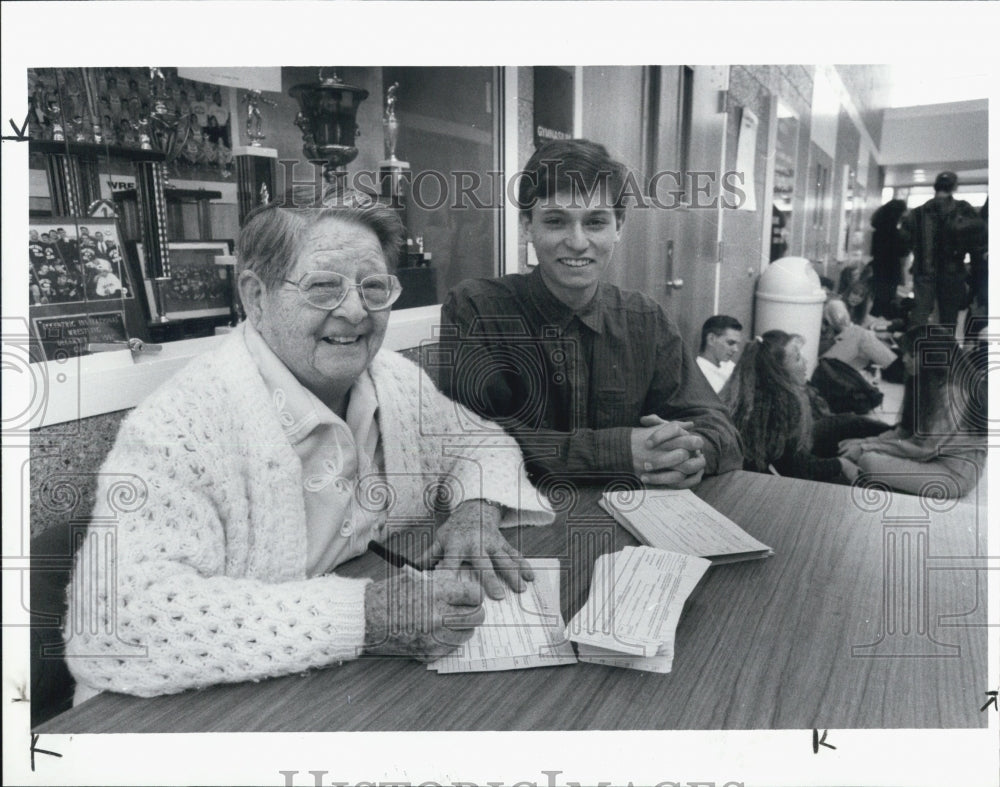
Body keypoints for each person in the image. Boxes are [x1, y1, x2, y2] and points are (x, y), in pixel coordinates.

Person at [64, 194, 554, 701]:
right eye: (323, 287)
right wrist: (370, 616)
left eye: (374, 287)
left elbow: (480, 442)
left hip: (339, 687)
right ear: (256, 297)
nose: (355, 311)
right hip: (188, 714)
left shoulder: (393, 379)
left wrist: (474, 511)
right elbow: (110, 627)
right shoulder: (180, 426)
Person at [439, 139, 742, 489]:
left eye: (596, 222)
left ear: (619, 227)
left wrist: (686, 452)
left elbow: (722, 431)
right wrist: (618, 452)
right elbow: (467, 439)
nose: (578, 242)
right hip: (522, 522)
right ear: (526, 226)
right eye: (556, 221)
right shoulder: (476, 309)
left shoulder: (646, 320)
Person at [839, 325, 985, 498]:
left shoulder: (952, 393)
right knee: (857, 447)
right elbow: (904, 431)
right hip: (931, 458)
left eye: (912, 355)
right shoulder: (924, 382)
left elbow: (924, 448)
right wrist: (864, 442)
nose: (904, 359)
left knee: (868, 461)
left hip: (953, 474)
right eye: (905, 353)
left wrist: (865, 448)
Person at [721, 331, 860, 484]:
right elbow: (797, 468)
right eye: (798, 358)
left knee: (844, 422)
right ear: (779, 372)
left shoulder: (746, 395)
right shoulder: (784, 404)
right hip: (757, 487)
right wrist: (841, 464)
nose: (805, 362)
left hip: (746, 478)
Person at [901, 171, 987, 326]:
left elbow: (904, 242)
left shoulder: (917, 213)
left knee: (919, 317)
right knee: (948, 319)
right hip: (952, 273)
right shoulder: (963, 209)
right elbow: (978, 238)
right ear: (954, 187)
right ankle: (944, 349)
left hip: (924, 271)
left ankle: (915, 349)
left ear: (935, 186)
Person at [820, 299, 897, 372]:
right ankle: (894, 367)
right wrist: (833, 340)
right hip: (820, 364)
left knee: (864, 344)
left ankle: (892, 367)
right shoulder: (831, 307)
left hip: (828, 359)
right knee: (860, 334)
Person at [869, 199, 909, 319]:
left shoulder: (878, 230)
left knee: (878, 300)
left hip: (878, 269)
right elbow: (903, 252)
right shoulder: (895, 232)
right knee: (886, 301)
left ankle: (872, 324)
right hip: (890, 271)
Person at [696, 315, 743, 393]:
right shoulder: (697, 373)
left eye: (737, 344)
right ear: (711, 339)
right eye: (730, 343)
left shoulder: (730, 366)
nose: (736, 349)